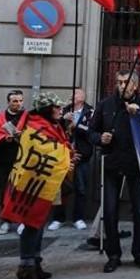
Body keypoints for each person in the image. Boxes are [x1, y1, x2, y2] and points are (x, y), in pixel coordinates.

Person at [90, 71, 140, 272]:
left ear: (135, 85)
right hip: (112, 163)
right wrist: (100, 138)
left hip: (137, 164)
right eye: (119, 82)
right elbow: (91, 132)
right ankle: (114, 254)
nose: (122, 85)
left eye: (126, 82)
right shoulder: (105, 105)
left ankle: (139, 252)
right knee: (109, 210)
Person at [14, 92, 76, 279]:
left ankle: (35, 261)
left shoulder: (51, 125)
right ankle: (26, 266)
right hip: (33, 183)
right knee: (32, 224)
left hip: (46, 182)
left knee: (39, 222)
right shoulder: (35, 127)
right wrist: (64, 161)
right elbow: (41, 154)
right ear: (47, 109)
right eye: (56, 107)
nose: (60, 110)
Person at [50, 88, 93, 232]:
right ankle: (58, 218)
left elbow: (92, 131)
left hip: (82, 155)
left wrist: (77, 126)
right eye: (73, 93)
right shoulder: (64, 110)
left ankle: (78, 218)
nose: (73, 96)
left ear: (83, 96)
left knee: (81, 188)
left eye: (77, 93)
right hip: (63, 156)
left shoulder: (90, 111)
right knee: (60, 188)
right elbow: (53, 128)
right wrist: (63, 120)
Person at [0, 90, 25, 235]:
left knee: (21, 191)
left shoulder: (27, 117)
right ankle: (6, 221)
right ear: (8, 102)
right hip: (3, 161)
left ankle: (21, 220)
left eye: (20, 100)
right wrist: (4, 139)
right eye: (15, 101)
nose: (18, 104)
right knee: (4, 191)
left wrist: (23, 135)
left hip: (21, 161)